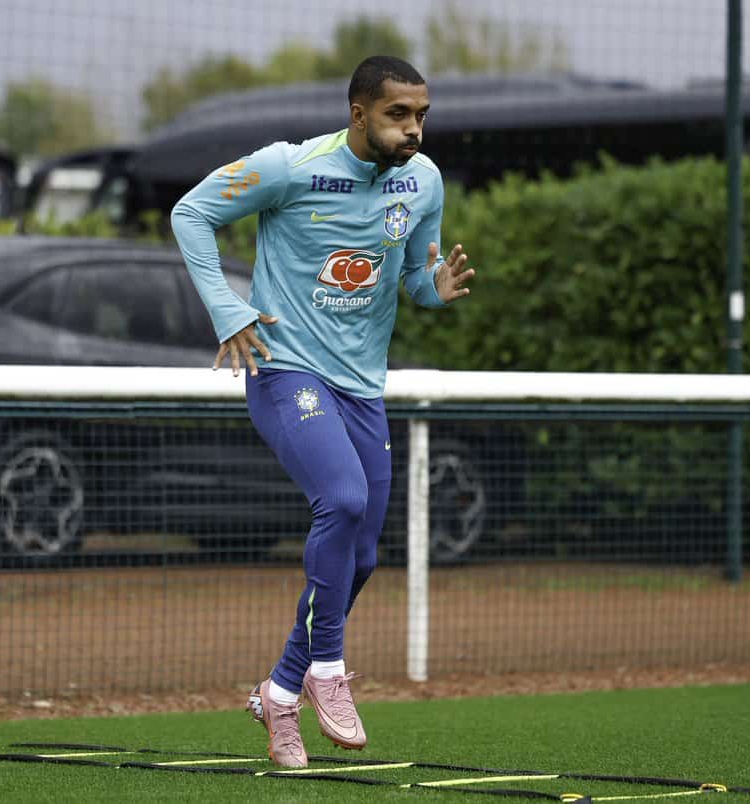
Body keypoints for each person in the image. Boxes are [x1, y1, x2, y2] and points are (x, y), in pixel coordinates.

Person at [171, 56, 474, 767]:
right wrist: (227, 309)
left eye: (421, 114)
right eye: (398, 114)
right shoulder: (288, 167)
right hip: (284, 370)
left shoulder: (421, 182)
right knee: (338, 499)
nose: (413, 129)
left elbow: (408, 283)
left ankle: (278, 693)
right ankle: (326, 670)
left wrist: (435, 287)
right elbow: (191, 214)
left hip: (362, 386)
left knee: (361, 555)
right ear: (358, 112)